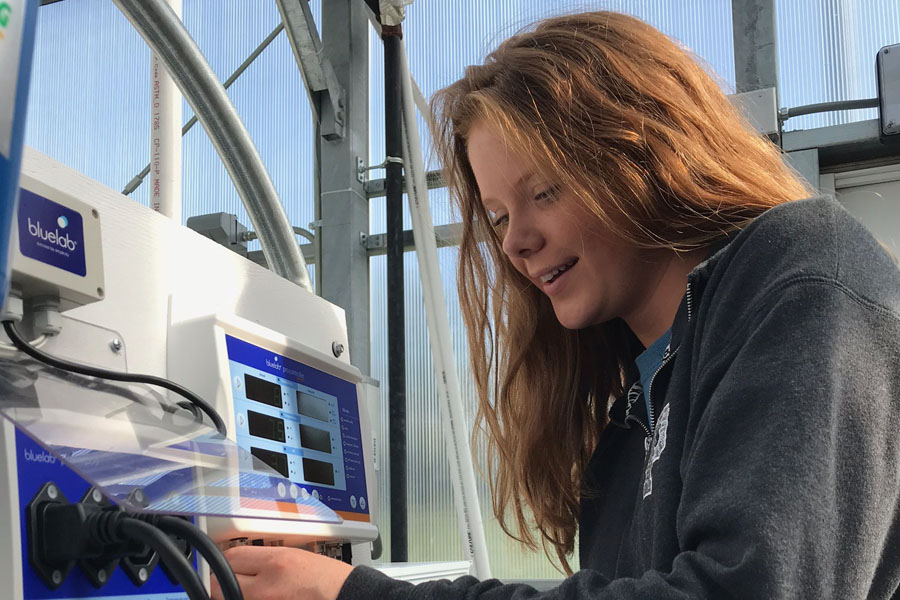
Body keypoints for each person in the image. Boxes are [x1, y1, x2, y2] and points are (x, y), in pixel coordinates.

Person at [211, 11, 900, 600]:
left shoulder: (801, 274)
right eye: (499, 215)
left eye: (545, 192)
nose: (516, 243)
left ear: (645, 150)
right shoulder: (629, 427)